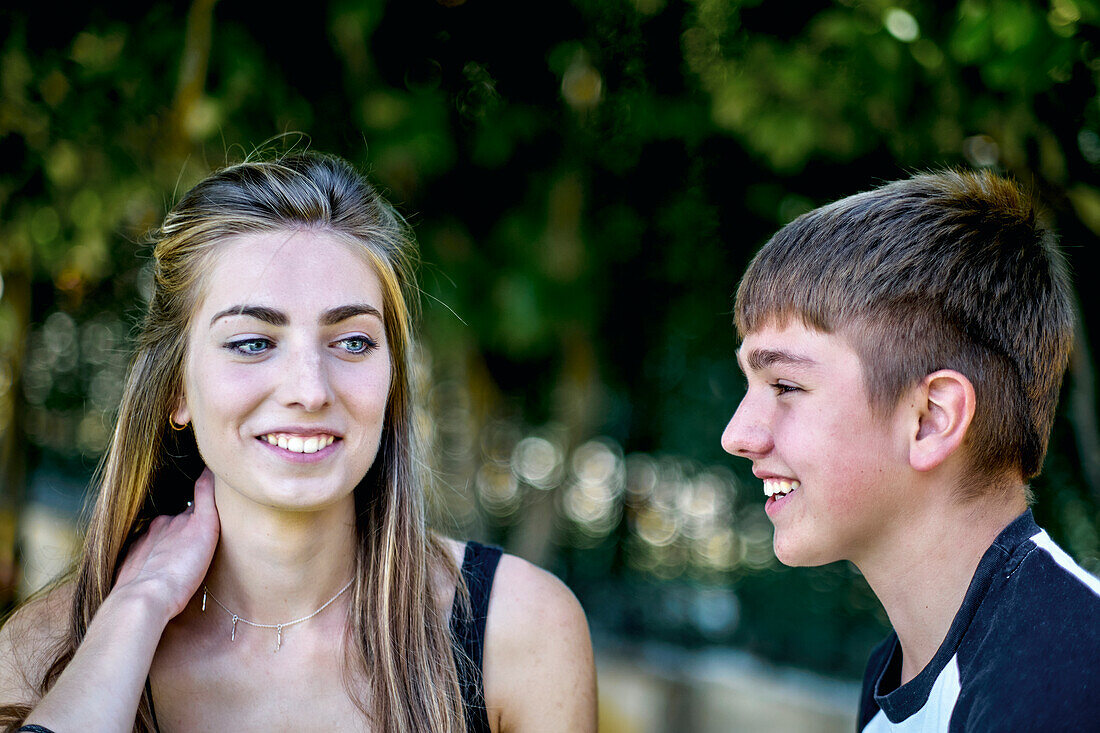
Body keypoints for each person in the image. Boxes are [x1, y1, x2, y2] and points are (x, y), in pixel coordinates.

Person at [0, 152, 597, 732]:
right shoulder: (42, 652)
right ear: (176, 389)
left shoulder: (519, 633)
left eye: (354, 342)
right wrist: (135, 611)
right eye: (253, 342)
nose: (310, 391)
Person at [721, 170, 1100, 731]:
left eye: (786, 386)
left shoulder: (1065, 676)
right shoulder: (896, 671)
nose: (737, 435)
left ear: (930, 420)